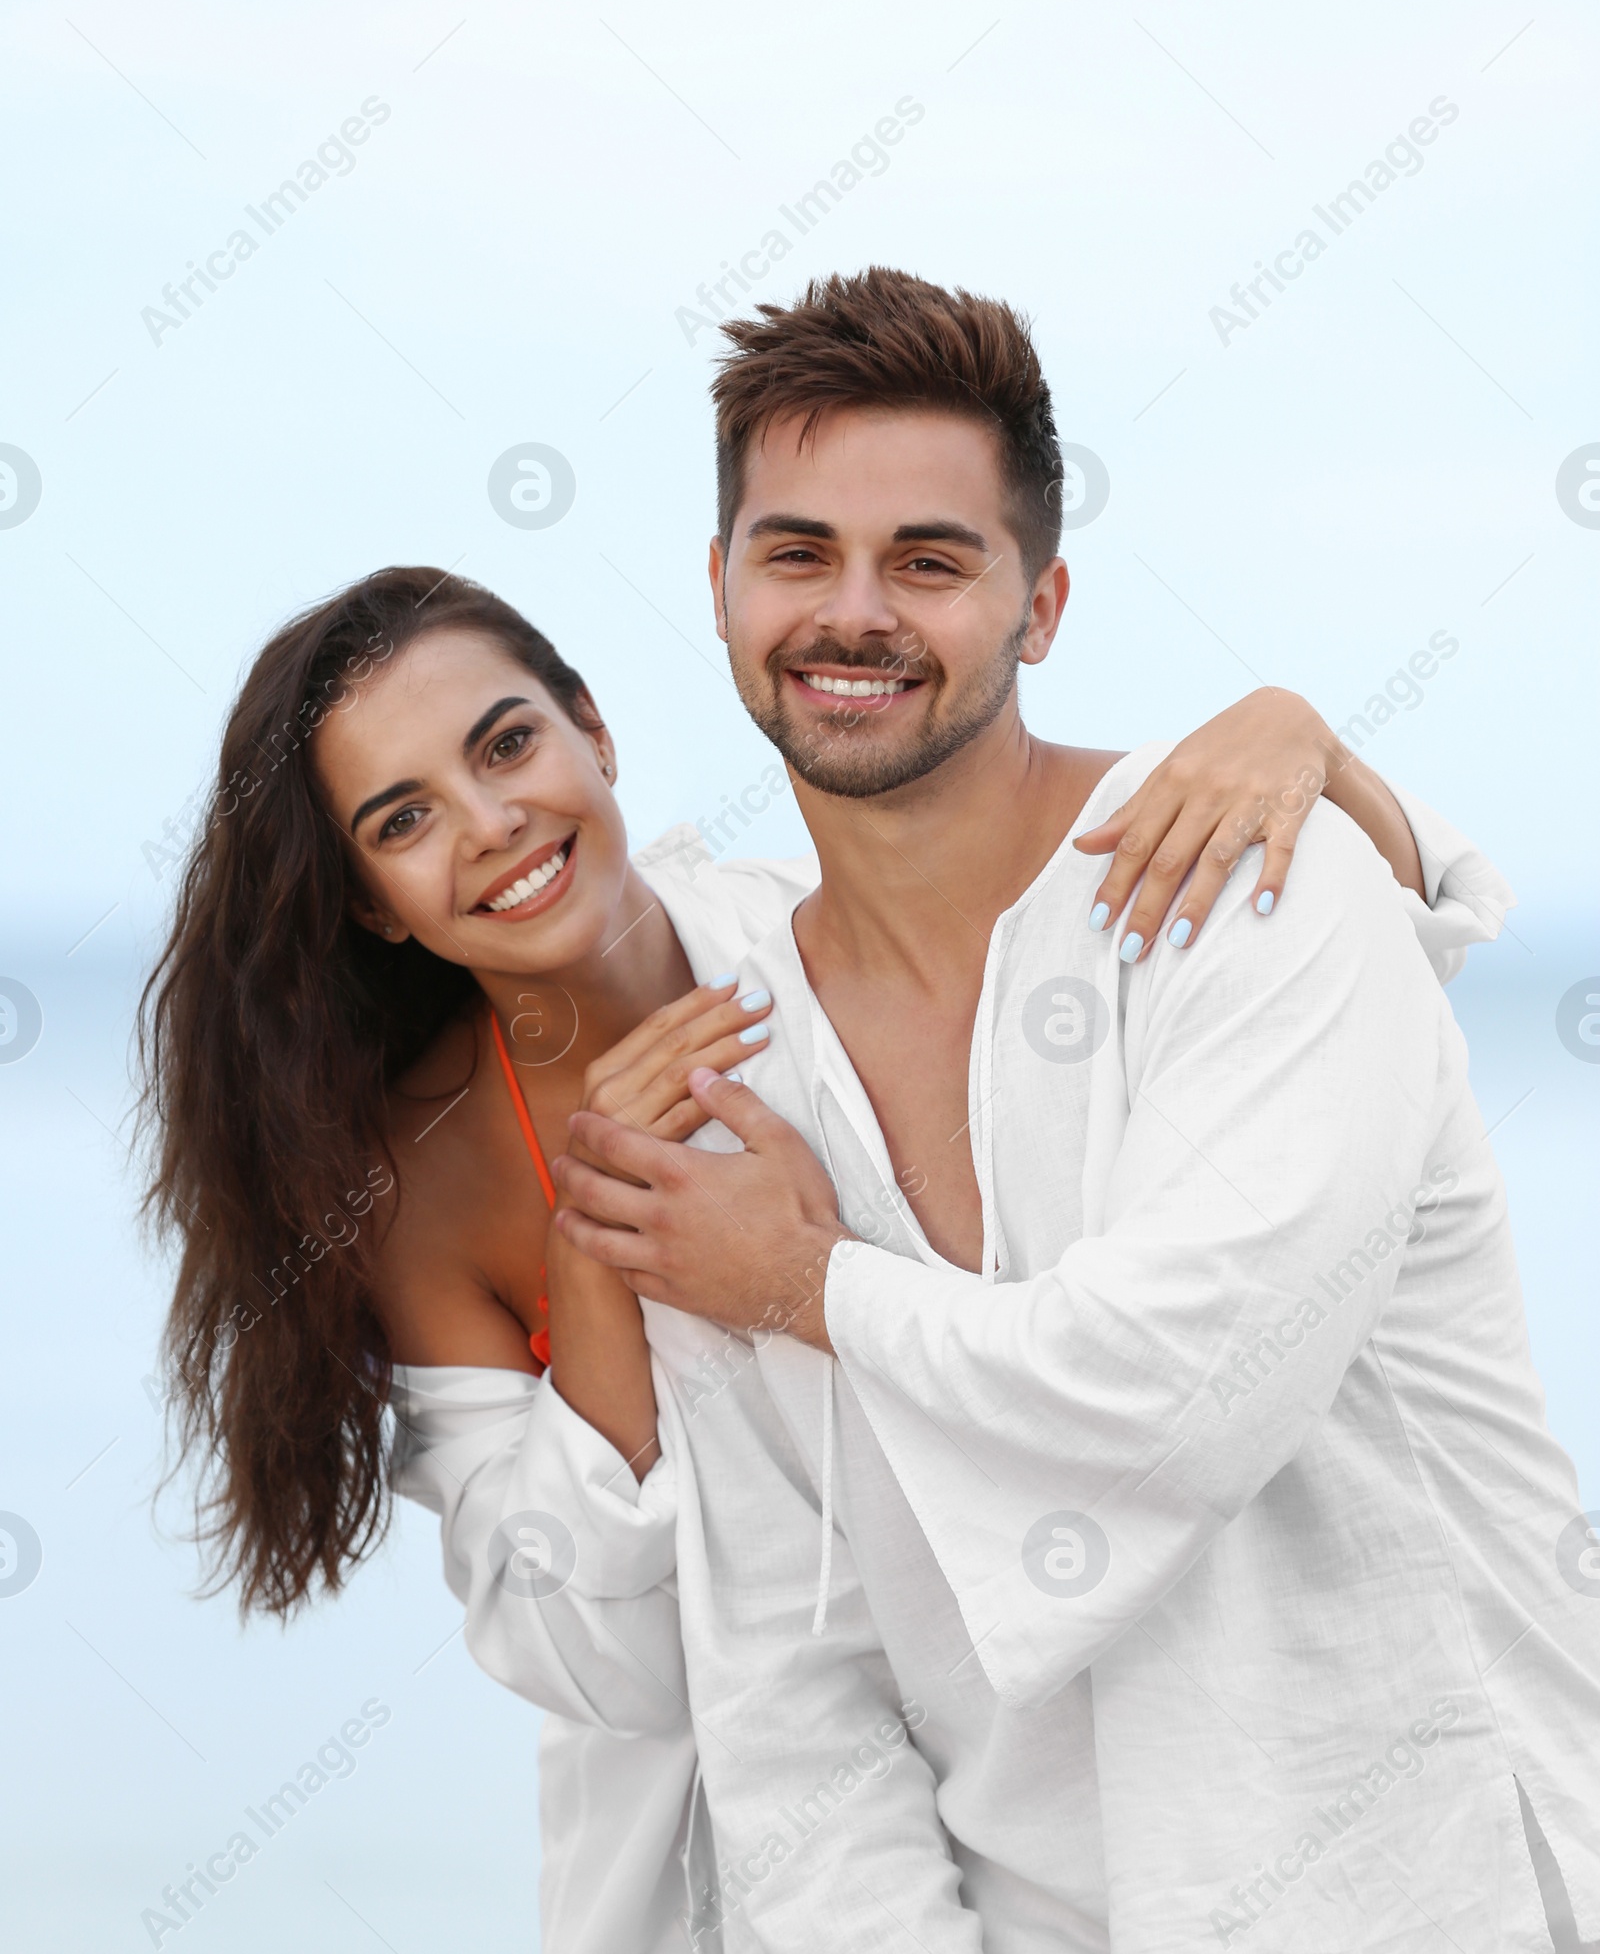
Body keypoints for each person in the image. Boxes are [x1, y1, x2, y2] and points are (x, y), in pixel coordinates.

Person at [138, 555, 1497, 1954]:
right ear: (370, 899)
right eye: (403, 817)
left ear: (593, 731)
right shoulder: (420, 1185)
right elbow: (589, 1654)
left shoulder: (824, 959)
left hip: (1036, 1754)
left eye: (508, 744)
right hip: (712, 1847)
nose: (489, 825)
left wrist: (1308, 744)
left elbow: (1272, 1081)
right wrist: (595, 1252)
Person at [555, 269, 1599, 1954]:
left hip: (1426, 1891)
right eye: (798, 551)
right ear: (722, 587)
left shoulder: (1260, 887)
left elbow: (1180, 1394)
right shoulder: (728, 1070)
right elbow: (787, 1666)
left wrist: (808, 1287)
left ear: (1041, 607)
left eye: (932, 560)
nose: (855, 613)